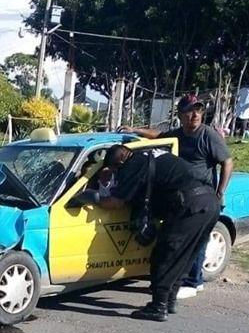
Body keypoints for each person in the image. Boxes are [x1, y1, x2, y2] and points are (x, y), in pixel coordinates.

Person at [76, 145, 220, 321]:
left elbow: (116, 202)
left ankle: (158, 307)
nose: (116, 173)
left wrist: (93, 197)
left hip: (189, 206)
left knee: (165, 255)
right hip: (210, 203)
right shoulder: (151, 153)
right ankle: (169, 301)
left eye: (115, 169)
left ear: (120, 160)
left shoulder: (132, 165)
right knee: (185, 256)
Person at [120, 95, 233, 299]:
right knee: (177, 238)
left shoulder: (207, 135)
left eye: (198, 110)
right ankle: (172, 280)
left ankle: (193, 281)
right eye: (190, 110)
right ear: (181, 115)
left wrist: (220, 192)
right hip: (181, 196)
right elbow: (159, 135)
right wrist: (135, 130)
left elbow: (227, 162)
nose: (195, 114)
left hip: (203, 196)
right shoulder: (179, 134)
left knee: (197, 238)